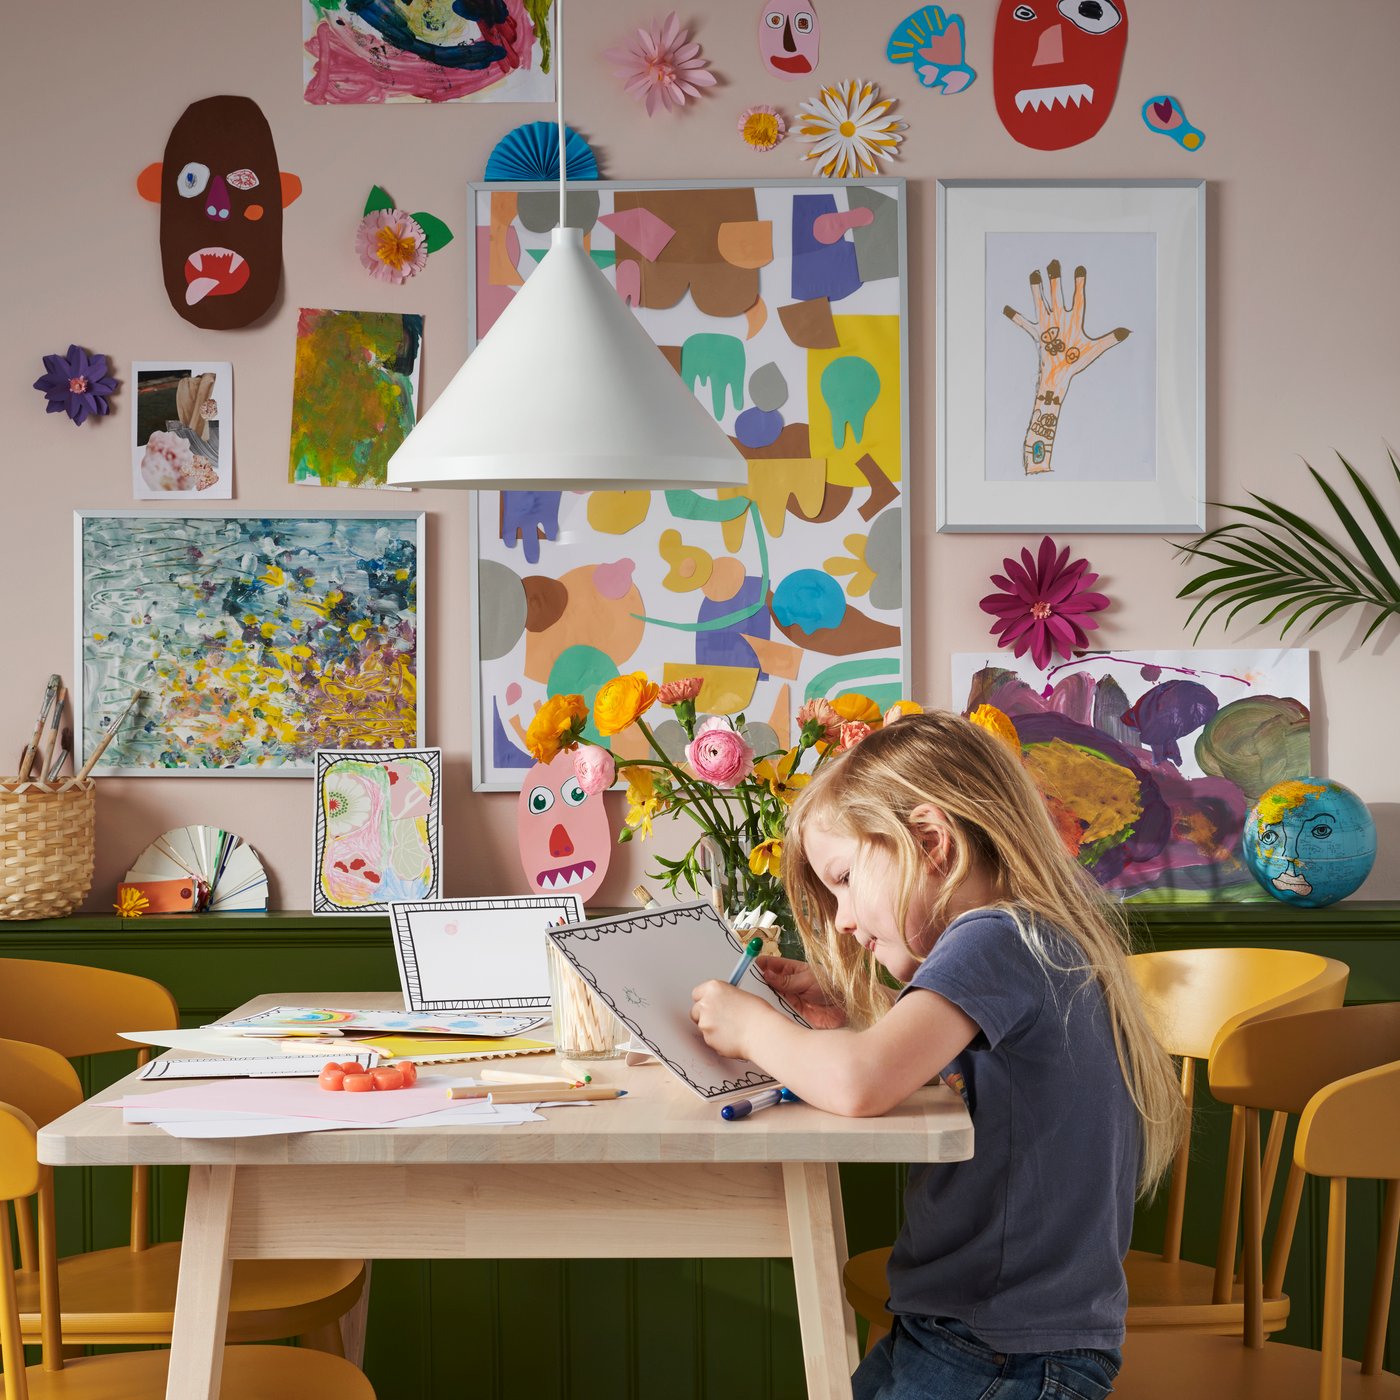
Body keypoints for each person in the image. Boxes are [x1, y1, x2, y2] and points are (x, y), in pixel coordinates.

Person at [690, 710, 1186, 1400]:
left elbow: (862, 1081)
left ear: (930, 842)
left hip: (999, 1352)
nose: (841, 919)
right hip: (979, 1334)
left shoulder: (994, 937)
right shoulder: (1025, 936)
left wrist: (750, 1028)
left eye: (843, 878)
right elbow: (941, 1054)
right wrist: (845, 1011)